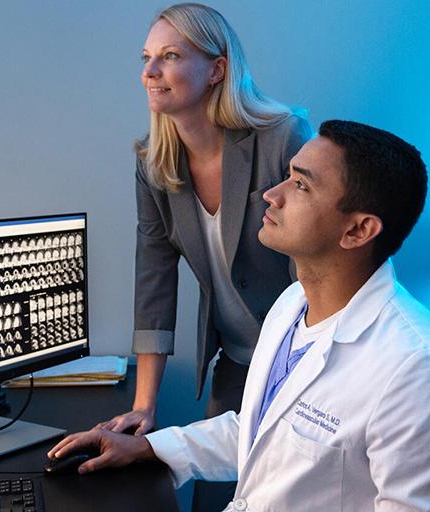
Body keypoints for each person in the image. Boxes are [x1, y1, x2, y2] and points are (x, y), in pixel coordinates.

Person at [50, 120, 430, 511]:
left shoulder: (423, 372)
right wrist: (148, 448)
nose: (272, 195)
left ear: (358, 230)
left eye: (301, 185)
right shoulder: (293, 305)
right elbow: (263, 431)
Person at [105, 4, 310, 507]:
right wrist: (144, 405)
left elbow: (313, 264)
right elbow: (154, 280)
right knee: (215, 500)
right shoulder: (153, 165)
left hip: (303, 366)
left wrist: (305, 377)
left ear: (217, 69)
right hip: (236, 362)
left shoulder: (283, 136)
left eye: (169, 56)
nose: (149, 72)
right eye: (147, 57)